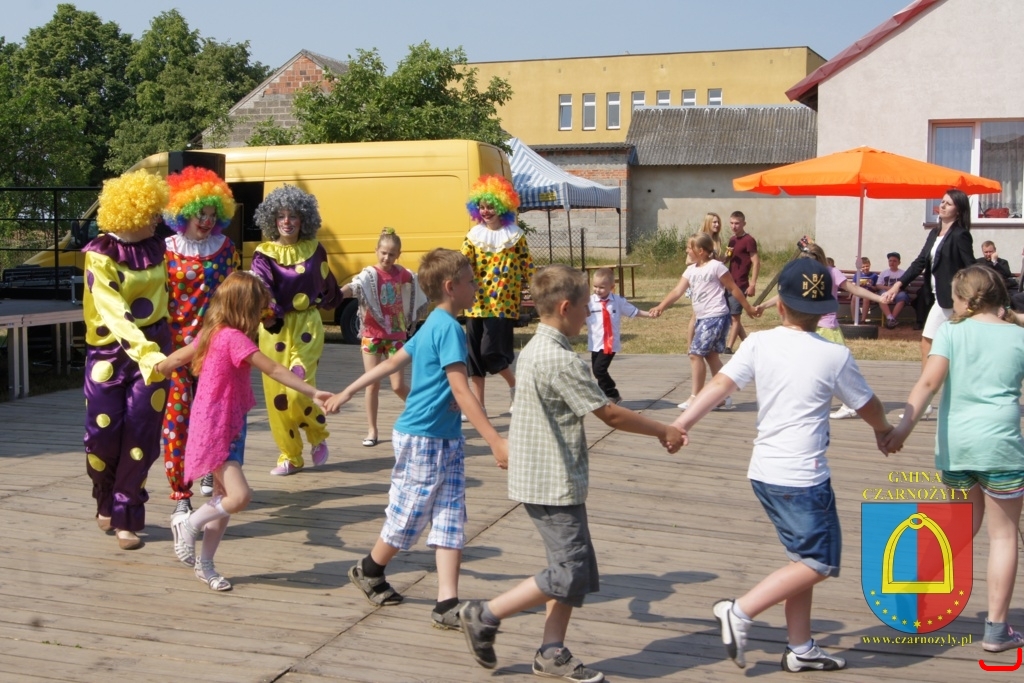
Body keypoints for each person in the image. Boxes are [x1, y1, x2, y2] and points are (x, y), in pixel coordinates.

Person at [458, 264, 683, 683]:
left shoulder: (533, 350)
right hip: (551, 481)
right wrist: (663, 430)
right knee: (569, 570)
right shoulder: (560, 360)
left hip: (546, 476)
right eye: (585, 308)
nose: (589, 314)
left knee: (574, 570)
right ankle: (485, 614)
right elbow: (609, 414)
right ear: (565, 308)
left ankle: (551, 651)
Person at [673, 258, 892, 672]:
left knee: (801, 560)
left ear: (779, 306)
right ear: (826, 311)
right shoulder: (835, 355)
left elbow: (719, 384)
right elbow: (868, 405)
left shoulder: (759, 343)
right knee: (819, 562)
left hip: (764, 471)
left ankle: (801, 648)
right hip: (803, 479)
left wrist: (683, 423)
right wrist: (884, 431)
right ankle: (739, 611)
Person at [323, 249, 507, 629]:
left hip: (447, 437)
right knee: (410, 513)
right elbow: (461, 390)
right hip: (422, 437)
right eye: (470, 281)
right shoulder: (448, 328)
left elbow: (393, 362)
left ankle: (446, 603)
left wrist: (347, 391)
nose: (476, 286)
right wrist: (493, 440)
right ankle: (370, 569)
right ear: (450, 287)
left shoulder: (433, 323)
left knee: (450, 517)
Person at [159, 272, 333, 590]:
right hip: (216, 427)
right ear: (245, 307)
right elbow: (274, 368)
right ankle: (189, 523)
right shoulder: (234, 338)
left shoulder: (213, 331)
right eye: (258, 307)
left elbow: (180, 356)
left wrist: (157, 366)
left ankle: (206, 564)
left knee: (223, 499)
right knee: (239, 496)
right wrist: (313, 392)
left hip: (228, 424)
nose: (262, 312)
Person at [883, 265, 1024, 653]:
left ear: (962, 299)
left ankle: (912, 597)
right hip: (1002, 447)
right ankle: (996, 629)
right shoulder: (1018, 336)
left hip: (957, 447)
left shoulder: (950, 332)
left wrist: (902, 430)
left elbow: (928, 383)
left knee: (958, 527)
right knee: (1003, 536)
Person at [83, 170, 171, 551]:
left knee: (141, 436)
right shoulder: (99, 254)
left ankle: (126, 514)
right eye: (150, 212)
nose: (156, 219)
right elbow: (113, 311)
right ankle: (105, 496)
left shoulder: (159, 249)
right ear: (131, 213)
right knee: (102, 436)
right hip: (110, 353)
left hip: (155, 353)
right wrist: (146, 351)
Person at [161, 167, 241, 514]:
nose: (207, 221)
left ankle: (211, 467)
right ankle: (181, 495)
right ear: (183, 212)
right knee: (177, 420)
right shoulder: (165, 250)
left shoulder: (226, 248)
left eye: (212, 214)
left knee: (214, 416)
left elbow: (236, 294)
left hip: (215, 348)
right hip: (177, 347)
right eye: (200, 214)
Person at [251, 185, 343, 475]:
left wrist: (346, 295)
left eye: (293, 215)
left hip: (308, 324)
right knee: (277, 395)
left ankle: (317, 434)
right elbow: (262, 289)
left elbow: (328, 286)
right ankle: (290, 456)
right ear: (272, 220)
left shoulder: (315, 250)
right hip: (274, 328)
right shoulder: (263, 254)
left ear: (304, 219)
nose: (287, 221)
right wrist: (269, 314)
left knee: (298, 389)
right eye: (281, 216)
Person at [340, 228, 427, 447]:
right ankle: (372, 430)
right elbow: (355, 286)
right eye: (384, 253)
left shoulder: (401, 273)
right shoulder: (369, 275)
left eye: (392, 254)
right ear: (376, 251)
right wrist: (338, 293)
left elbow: (418, 284)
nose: (387, 258)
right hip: (372, 336)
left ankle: (425, 412)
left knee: (398, 386)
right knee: (372, 384)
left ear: (398, 255)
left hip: (396, 335)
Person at [651, 233, 759, 411]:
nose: (686, 250)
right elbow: (677, 291)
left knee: (695, 354)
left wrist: (747, 307)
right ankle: (723, 397)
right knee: (711, 356)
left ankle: (696, 397)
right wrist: (661, 306)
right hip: (703, 318)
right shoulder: (691, 270)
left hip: (716, 316)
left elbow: (733, 288)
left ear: (700, 251)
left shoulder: (716, 267)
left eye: (689, 247)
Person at [461, 175, 534, 415]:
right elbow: (461, 264)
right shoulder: (473, 236)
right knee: (474, 358)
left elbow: (528, 267)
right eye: (482, 206)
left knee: (490, 353)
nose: (486, 211)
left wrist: (538, 291)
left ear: (502, 206)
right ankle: (479, 405)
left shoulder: (515, 236)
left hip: (503, 303)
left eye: (491, 206)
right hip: (475, 303)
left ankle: (515, 385)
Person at [883, 188, 975, 365]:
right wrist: (897, 285)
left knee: (928, 341)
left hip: (952, 298)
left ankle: (928, 380)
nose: (943, 206)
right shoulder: (934, 233)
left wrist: (969, 296)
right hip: (935, 296)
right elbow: (919, 263)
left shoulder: (960, 235)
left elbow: (971, 266)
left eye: (949, 204)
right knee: (948, 345)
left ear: (959, 210)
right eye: (942, 201)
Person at [585, 267, 651, 404]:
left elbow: (634, 311)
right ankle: (604, 395)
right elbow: (579, 315)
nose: (597, 290)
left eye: (602, 287)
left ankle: (612, 394)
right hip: (595, 343)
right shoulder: (589, 302)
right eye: (595, 286)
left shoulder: (617, 301)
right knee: (598, 371)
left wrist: (649, 314)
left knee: (599, 370)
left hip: (610, 344)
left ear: (611, 287)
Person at [685, 212, 725, 347]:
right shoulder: (699, 238)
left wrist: (724, 258)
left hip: (712, 281)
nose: (717, 225)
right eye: (714, 222)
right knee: (695, 314)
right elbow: (689, 261)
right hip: (699, 280)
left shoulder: (717, 240)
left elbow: (714, 262)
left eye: (718, 222)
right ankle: (690, 346)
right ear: (708, 223)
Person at [723, 211, 759, 354]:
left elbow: (756, 262)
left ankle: (728, 347)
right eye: (731, 223)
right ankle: (748, 344)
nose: (734, 226)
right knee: (732, 316)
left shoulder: (749, 240)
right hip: (729, 282)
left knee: (735, 316)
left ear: (744, 223)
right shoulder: (732, 240)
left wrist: (752, 284)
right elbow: (726, 259)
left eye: (737, 223)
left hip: (741, 284)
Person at [877, 252, 912, 329]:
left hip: (899, 293)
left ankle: (891, 320)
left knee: (903, 297)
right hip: (886, 292)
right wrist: (890, 289)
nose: (892, 262)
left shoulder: (903, 273)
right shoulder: (884, 273)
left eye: (894, 261)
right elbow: (878, 285)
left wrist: (897, 289)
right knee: (881, 296)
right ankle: (890, 319)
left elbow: (907, 286)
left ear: (899, 262)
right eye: (890, 261)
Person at [850, 256, 879, 323]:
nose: (865, 268)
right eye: (863, 267)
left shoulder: (874, 275)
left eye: (867, 266)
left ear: (870, 265)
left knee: (866, 298)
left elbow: (876, 288)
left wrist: (870, 286)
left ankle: (863, 319)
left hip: (869, 292)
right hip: (859, 291)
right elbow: (853, 284)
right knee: (854, 297)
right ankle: (854, 319)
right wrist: (858, 284)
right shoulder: (857, 274)